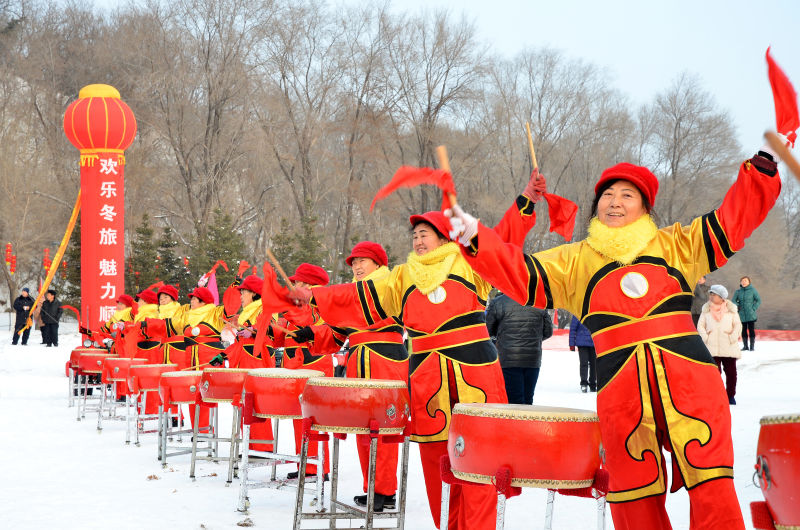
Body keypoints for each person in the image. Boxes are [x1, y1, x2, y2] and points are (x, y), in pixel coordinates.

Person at [448, 142, 784, 530]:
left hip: (690, 380)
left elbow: (732, 220)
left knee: (711, 482)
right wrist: (473, 236)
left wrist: (757, 175)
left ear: (645, 207)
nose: (615, 202)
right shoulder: (574, 260)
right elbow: (516, 270)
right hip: (620, 388)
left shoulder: (678, 244)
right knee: (632, 492)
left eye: (627, 195)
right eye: (607, 195)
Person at [486, 290, 552, 404]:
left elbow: (487, 330)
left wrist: (501, 339)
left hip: (508, 358)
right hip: (532, 358)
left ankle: (515, 422)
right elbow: (548, 331)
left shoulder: (498, 302)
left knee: (514, 400)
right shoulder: (539, 302)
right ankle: (526, 421)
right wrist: (533, 339)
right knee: (528, 398)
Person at [697, 285, 742, 405]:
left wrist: (732, 337)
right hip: (711, 347)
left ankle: (730, 396)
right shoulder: (706, 309)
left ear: (721, 297)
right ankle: (717, 395)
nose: (711, 296)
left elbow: (738, 325)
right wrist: (706, 338)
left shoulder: (731, 309)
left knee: (731, 373)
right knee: (714, 374)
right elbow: (700, 326)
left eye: (714, 294)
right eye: (710, 294)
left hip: (728, 345)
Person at [569, 315, 597, 393]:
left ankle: (593, 383)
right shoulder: (577, 312)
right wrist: (572, 344)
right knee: (584, 363)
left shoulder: (595, 312)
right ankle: (584, 383)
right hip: (582, 343)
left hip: (594, 343)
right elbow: (573, 329)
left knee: (594, 364)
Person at [732, 276, 761, 351]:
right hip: (741, 314)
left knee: (751, 330)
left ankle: (752, 346)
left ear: (749, 282)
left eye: (745, 280)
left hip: (750, 314)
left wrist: (753, 308)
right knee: (743, 330)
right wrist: (737, 306)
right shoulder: (738, 292)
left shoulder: (753, 290)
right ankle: (745, 346)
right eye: (742, 281)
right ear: (740, 282)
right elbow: (733, 301)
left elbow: (758, 300)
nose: (743, 282)